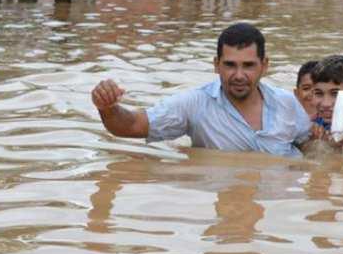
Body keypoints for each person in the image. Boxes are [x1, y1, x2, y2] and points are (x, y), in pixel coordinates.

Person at [91, 23, 313, 157]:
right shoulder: (195, 104)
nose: (238, 75)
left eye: (248, 65)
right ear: (216, 65)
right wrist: (108, 107)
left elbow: (312, 145)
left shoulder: (287, 103)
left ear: (264, 66)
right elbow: (132, 125)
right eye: (229, 65)